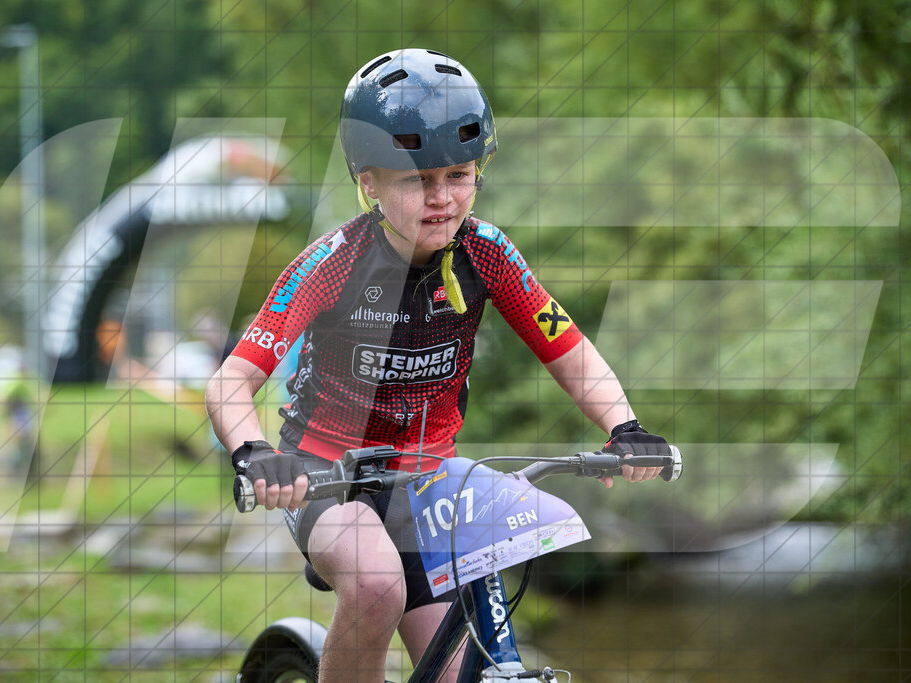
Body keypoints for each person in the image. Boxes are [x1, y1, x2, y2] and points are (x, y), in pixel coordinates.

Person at [206, 48, 671, 682]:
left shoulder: (488, 253)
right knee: (374, 587)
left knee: (466, 673)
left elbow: (566, 348)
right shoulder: (333, 263)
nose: (442, 199)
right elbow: (232, 381)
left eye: (458, 175)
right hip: (329, 479)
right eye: (416, 180)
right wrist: (254, 451)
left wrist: (625, 427)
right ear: (368, 180)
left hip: (430, 483)